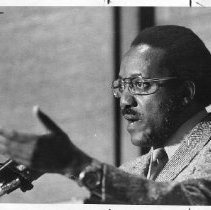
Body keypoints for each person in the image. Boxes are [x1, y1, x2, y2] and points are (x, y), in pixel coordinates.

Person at [0, 25, 211, 205]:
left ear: (186, 92)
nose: (125, 101)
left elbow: (191, 200)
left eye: (139, 84)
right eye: (121, 87)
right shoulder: (131, 170)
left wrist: (76, 164)